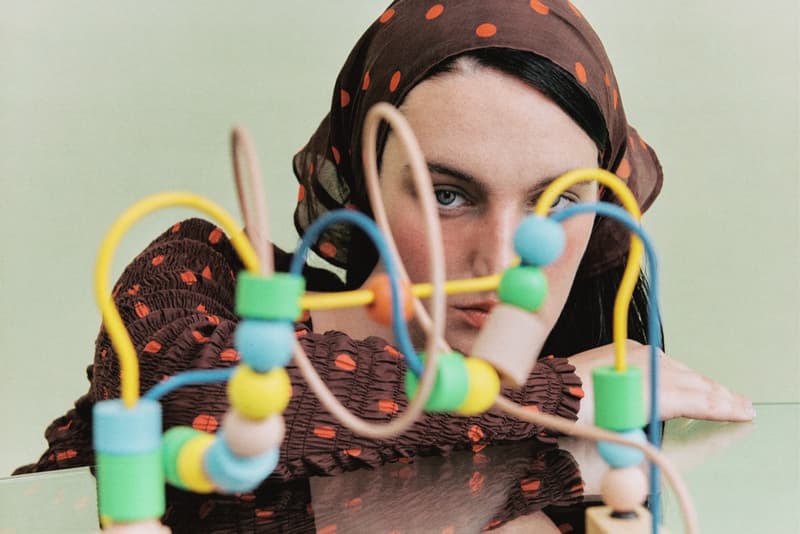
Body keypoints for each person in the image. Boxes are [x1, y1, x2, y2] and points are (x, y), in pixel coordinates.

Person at [15, 0, 753, 529]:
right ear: (362, 187)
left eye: (558, 203)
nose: (502, 258)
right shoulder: (206, 273)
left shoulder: (604, 465)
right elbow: (187, 401)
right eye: (447, 194)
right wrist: (552, 394)